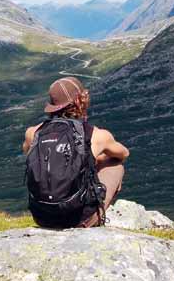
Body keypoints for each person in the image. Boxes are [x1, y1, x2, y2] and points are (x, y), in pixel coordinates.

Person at [22, 76, 129, 228]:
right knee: (115, 165)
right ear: (80, 101)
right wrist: (94, 159)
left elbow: (29, 153)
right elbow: (123, 154)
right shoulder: (97, 135)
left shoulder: (33, 133)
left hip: (41, 218)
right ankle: (96, 218)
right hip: (79, 220)